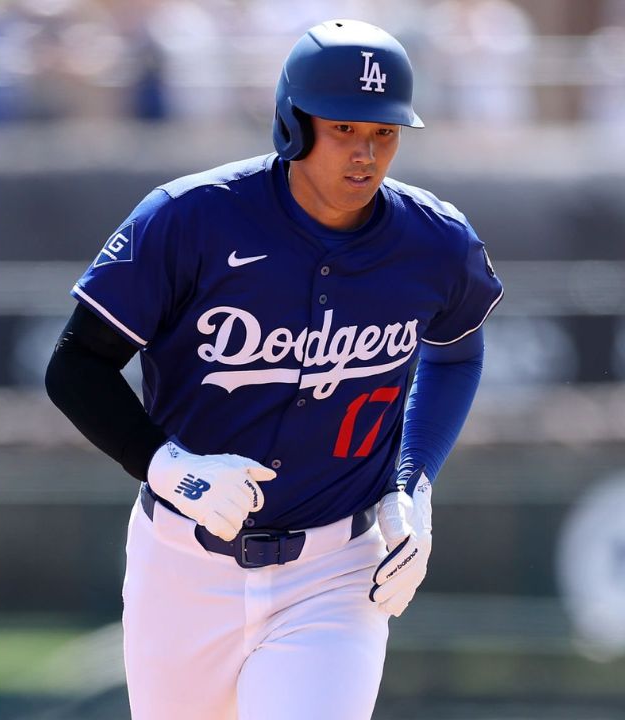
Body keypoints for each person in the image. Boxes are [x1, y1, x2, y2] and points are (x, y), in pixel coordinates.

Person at [46, 19, 502, 719]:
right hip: (183, 565)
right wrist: (169, 467)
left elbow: (459, 350)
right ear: (293, 124)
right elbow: (76, 365)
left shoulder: (434, 241)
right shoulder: (188, 219)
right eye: (345, 127)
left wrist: (414, 483)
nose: (367, 152)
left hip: (337, 570)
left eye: (384, 132)